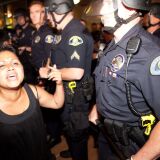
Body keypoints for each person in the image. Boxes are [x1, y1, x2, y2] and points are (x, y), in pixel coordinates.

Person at [88, 0, 160, 160]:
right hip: (107, 134)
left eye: (108, 3)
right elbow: (111, 83)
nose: (102, 11)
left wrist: (139, 158)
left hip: (133, 146)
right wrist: (99, 107)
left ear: (131, 6)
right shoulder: (114, 43)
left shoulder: (150, 55)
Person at [40, 0, 94, 159]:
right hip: (68, 92)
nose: (47, 17)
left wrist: (50, 73)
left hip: (75, 96)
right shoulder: (65, 30)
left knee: (76, 133)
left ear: (59, 10)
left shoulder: (74, 32)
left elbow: (76, 72)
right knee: (70, 131)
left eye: (48, 13)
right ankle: (73, 149)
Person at [0, 48, 64, 160]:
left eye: (15, 63)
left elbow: (56, 103)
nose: (10, 67)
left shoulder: (33, 91)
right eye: (2, 66)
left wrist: (59, 84)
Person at [29, 0, 62, 148]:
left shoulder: (46, 32)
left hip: (47, 77)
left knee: (49, 109)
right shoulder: (36, 32)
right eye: (31, 12)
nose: (34, 15)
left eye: (37, 12)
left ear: (44, 13)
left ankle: (55, 136)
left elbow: (51, 54)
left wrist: (45, 74)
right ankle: (52, 132)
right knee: (44, 109)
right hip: (39, 74)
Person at [13, 8, 37, 84]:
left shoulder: (32, 30)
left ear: (26, 17)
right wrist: (11, 41)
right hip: (22, 62)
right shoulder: (20, 30)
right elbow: (18, 42)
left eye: (20, 17)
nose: (18, 20)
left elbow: (38, 48)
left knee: (31, 83)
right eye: (17, 18)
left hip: (31, 64)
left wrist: (25, 48)